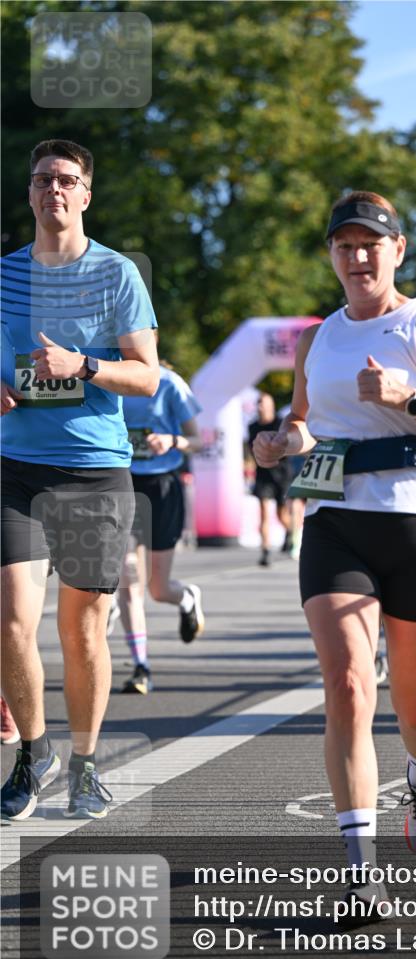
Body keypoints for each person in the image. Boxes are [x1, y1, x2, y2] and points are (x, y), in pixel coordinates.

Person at [253, 191, 416, 909]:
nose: (357, 257)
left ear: (396, 252)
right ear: (330, 255)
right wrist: (280, 441)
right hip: (337, 522)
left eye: (370, 245)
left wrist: (409, 400)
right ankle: (360, 872)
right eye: (343, 245)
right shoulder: (316, 338)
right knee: (350, 687)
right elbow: (305, 423)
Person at [0, 139, 159, 821]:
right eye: (42, 180)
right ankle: (34, 754)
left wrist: (83, 366)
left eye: (66, 181)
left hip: (95, 470)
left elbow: (147, 374)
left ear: (85, 194)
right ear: (30, 193)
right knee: (10, 621)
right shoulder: (3, 274)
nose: (53, 191)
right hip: (15, 468)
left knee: (84, 630)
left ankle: (87, 765)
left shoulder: (118, 273)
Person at [116, 350, 204, 694]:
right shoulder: (105, 377)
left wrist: (173, 441)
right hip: (120, 483)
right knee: (127, 578)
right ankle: (141, 666)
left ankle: (186, 598)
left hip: (162, 486)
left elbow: (198, 440)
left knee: (158, 588)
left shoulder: (169, 384)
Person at [247, 392, 292, 566]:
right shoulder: (252, 427)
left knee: (282, 515)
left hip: (281, 474)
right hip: (263, 473)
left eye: (263, 403)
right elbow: (252, 450)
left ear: (271, 406)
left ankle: (289, 532)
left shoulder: (281, 423)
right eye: (258, 403)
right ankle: (265, 551)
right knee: (264, 513)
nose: (260, 407)